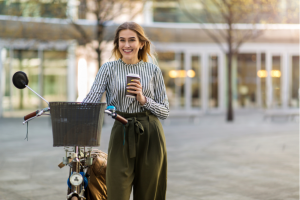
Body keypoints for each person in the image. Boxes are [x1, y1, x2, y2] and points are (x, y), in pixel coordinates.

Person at [83, 22, 169, 200]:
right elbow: (92, 98)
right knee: (117, 192)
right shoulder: (108, 68)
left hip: (151, 134)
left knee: (148, 194)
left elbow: (164, 111)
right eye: (122, 40)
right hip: (121, 131)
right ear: (117, 43)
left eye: (132, 40)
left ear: (141, 43)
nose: (127, 45)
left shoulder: (153, 70)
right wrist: (69, 110)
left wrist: (144, 100)